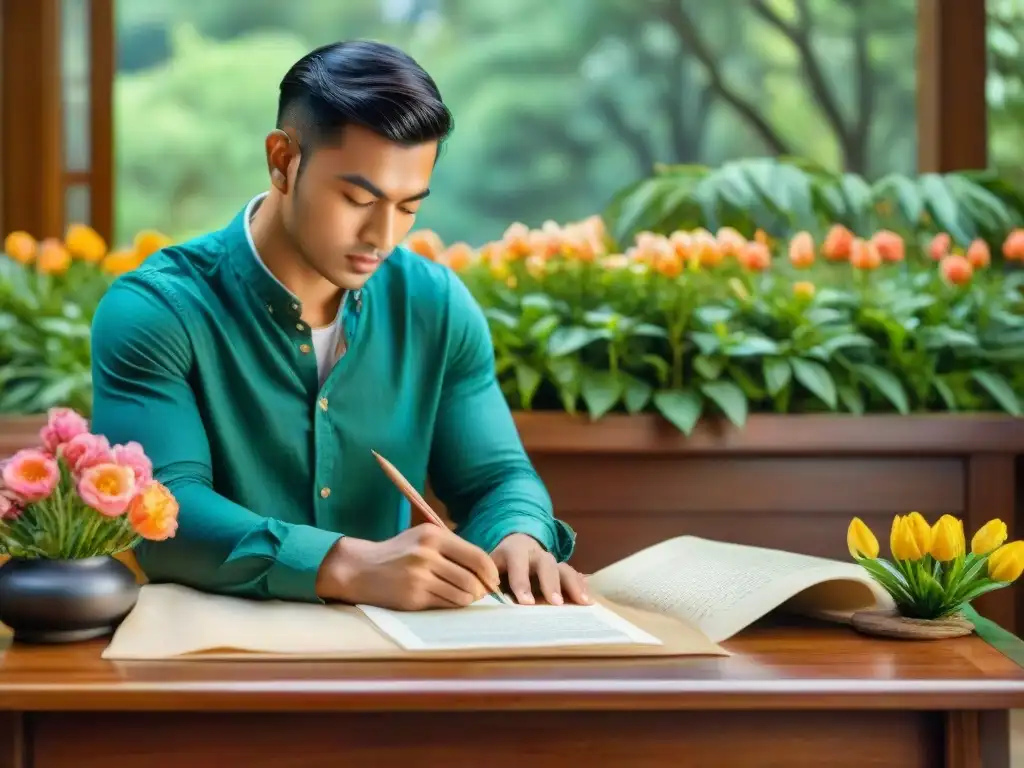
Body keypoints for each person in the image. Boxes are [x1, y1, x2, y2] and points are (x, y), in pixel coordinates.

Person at [90, 40, 588, 611]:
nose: (383, 236)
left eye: (408, 206)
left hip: (394, 663)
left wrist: (517, 534)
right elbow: (163, 508)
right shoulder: (159, 310)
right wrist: (346, 564)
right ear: (282, 161)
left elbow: (497, 477)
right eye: (358, 198)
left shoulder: (435, 305)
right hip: (215, 661)